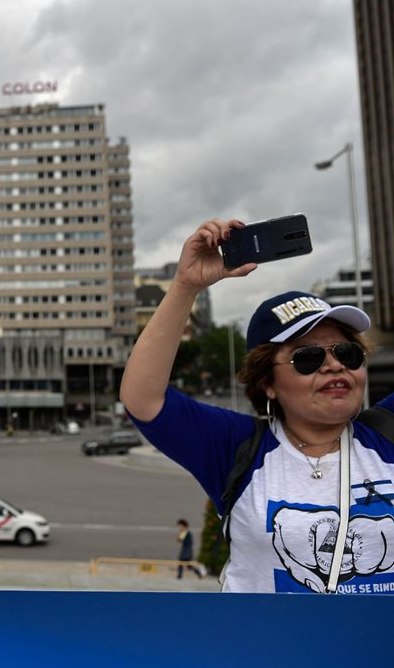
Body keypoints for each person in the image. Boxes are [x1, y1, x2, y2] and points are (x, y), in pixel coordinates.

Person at [120, 218, 394, 594]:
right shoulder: (238, 448)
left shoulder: (386, 434)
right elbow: (144, 400)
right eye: (308, 358)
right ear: (267, 383)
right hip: (264, 652)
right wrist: (186, 285)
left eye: (346, 352)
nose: (334, 365)